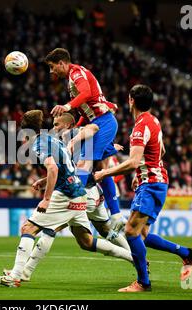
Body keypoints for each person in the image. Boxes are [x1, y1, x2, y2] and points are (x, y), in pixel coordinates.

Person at [0, 110, 133, 288]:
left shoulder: (38, 144)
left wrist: (46, 198)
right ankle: (133, 257)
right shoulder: (53, 139)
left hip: (66, 194)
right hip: (79, 192)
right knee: (85, 242)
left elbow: (53, 168)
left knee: (29, 228)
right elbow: (65, 165)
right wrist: (44, 181)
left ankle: (16, 276)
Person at [95, 85, 192, 292]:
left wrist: (104, 173)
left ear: (131, 100)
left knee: (131, 232)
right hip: (155, 180)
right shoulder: (154, 120)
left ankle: (143, 282)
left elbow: (133, 161)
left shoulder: (140, 126)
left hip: (151, 184)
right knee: (141, 234)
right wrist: (141, 173)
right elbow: (161, 150)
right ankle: (186, 253)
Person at [45, 48, 120, 227]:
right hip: (98, 122)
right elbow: (86, 112)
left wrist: (67, 106)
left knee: (83, 164)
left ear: (62, 63)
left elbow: (86, 93)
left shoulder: (77, 73)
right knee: (101, 165)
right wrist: (76, 128)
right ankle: (116, 215)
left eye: (52, 66)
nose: (51, 71)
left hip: (103, 123)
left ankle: (72, 203)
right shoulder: (73, 76)